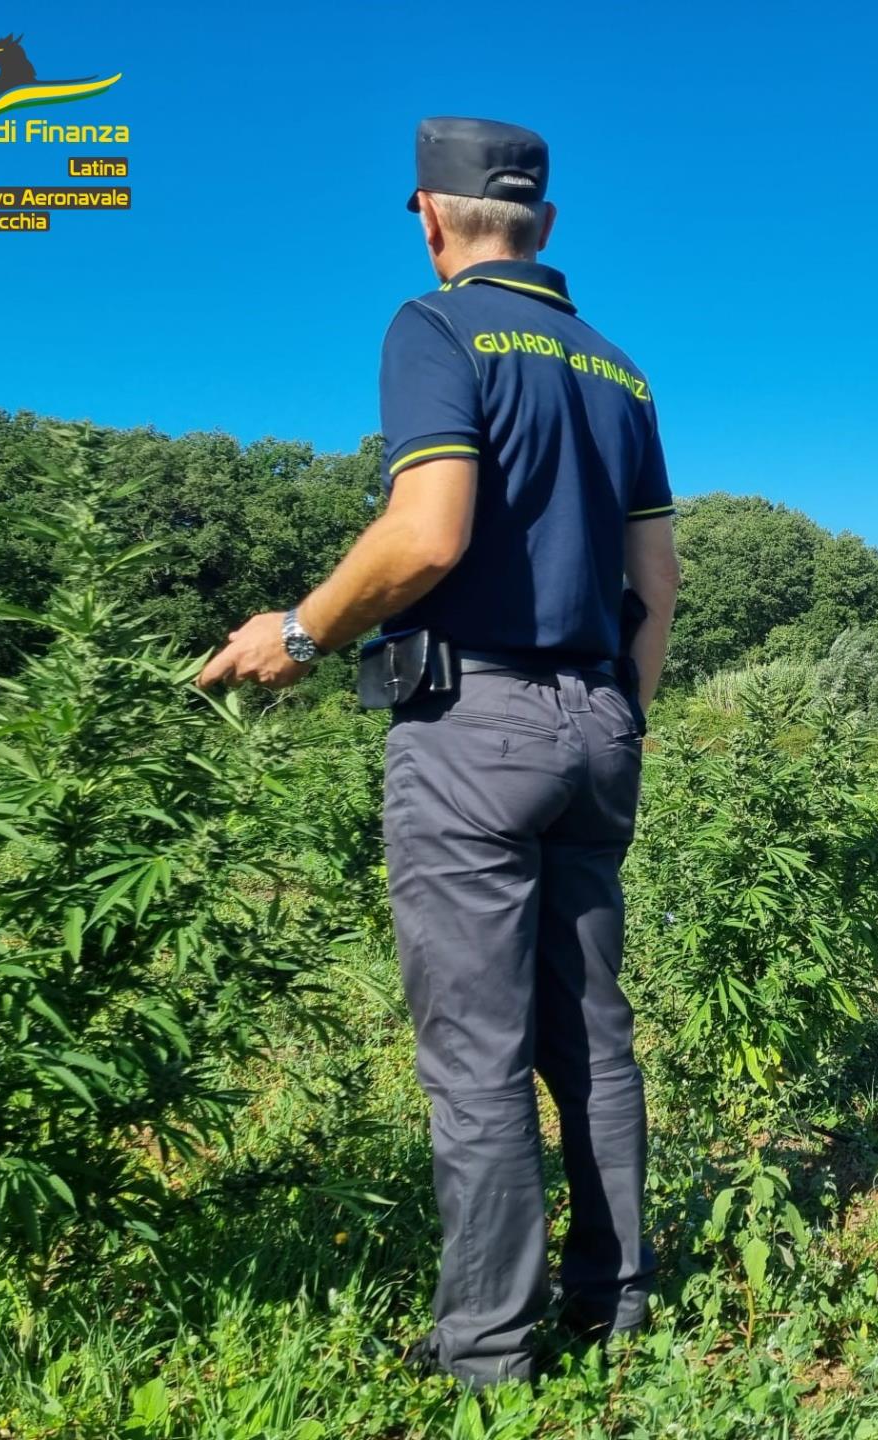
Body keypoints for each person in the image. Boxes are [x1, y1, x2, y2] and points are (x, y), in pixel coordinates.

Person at [199, 115, 680, 1390]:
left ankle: (488, 1354)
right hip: (599, 721)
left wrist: (297, 633)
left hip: (476, 723)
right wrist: (620, 713)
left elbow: (425, 534)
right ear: (545, 222)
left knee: (477, 1057)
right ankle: (616, 1302)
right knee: (593, 1034)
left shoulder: (437, 328)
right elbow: (660, 582)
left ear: (428, 215)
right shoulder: (621, 370)